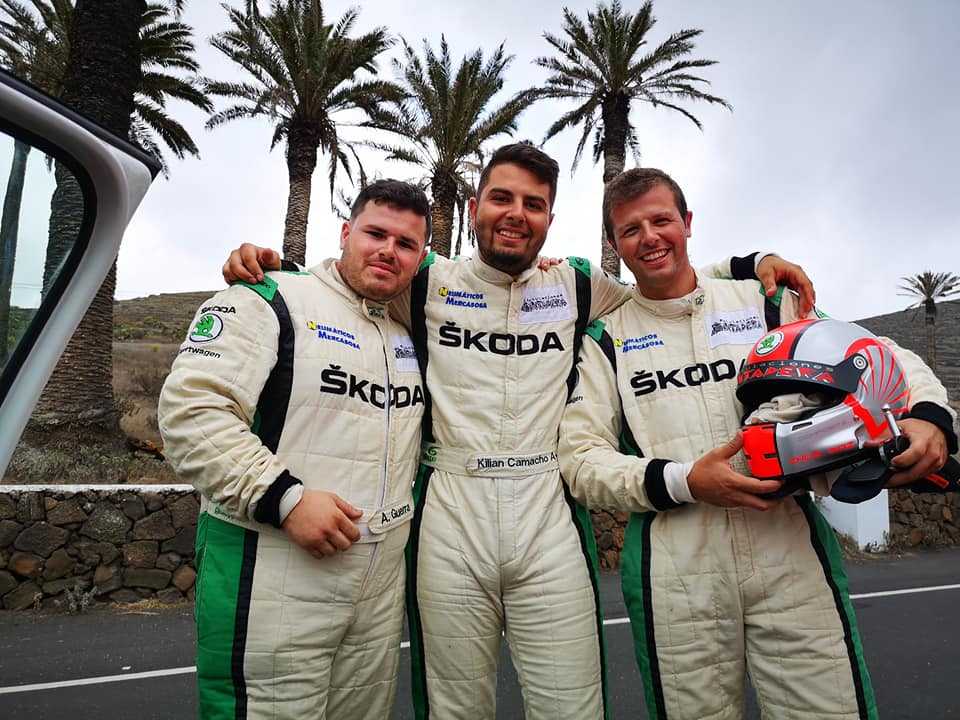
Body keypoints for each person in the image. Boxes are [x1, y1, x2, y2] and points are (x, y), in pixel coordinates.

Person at [222, 142, 816, 719]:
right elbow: (348, 283)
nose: (516, 214)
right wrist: (270, 267)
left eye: (534, 204)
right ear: (474, 206)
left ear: (549, 220)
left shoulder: (577, 285)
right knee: (455, 707)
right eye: (501, 198)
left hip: (547, 512)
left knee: (572, 704)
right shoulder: (428, 280)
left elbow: (662, 285)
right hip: (451, 513)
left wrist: (747, 266)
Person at [559, 167, 957, 720]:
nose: (649, 238)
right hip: (675, 570)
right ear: (614, 243)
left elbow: (874, 352)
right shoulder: (605, 339)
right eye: (631, 230)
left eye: (661, 220)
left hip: (789, 549)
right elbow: (580, 461)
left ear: (688, 222)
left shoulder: (761, 300)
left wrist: (930, 417)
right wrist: (685, 480)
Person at [158, 180, 430, 719]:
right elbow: (191, 413)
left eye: (406, 244)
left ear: (421, 259)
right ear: (346, 233)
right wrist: (286, 499)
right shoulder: (268, 297)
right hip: (270, 576)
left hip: (377, 596)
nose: (388, 251)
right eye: (375, 234)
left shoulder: (409, 329)